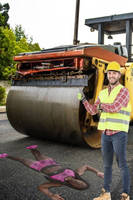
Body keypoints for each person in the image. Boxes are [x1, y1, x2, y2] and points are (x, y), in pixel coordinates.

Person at [78, 61, 131, 200]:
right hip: (106, 134)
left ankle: (125, 194)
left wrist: (100, 106)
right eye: (110, 73)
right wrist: (83, 100)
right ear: (107, 75)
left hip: (119, 133)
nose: (112, 75)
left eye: (114, 73)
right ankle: (106, 193)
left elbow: (115, 107)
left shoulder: (124, 91)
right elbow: (93, 110)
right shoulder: (102, 93)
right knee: (107, 165)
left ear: (119, 75)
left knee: (122, 164)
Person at [0, 145, 104, 200]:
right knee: (38, 155)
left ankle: (6, 155)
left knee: (22, 160)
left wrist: (51, 195)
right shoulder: (75, 173)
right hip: (50, 162)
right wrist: (97, 172)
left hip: (39, 167)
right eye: (81, 183)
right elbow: (86, 166)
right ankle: (32, 149)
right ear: (80, 180)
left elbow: (41, 187)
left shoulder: (59, 183)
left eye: (79, 186)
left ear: (74, 187)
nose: (79, 183)